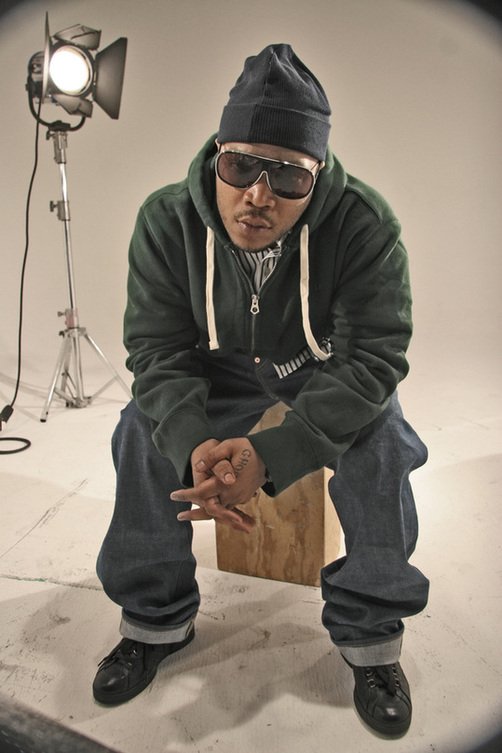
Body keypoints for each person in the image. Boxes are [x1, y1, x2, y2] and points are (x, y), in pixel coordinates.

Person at [93, 43, 429, 737]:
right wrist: (194, 443)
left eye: (289, 176)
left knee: (384, 440)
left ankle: (370, 638)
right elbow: (157, 351)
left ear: (318, 177)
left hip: (317, 365)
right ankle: (155, 621)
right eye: (241, 165)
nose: (258, 194)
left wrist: (274, 455)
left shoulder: (364, 224)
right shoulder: (165, 220)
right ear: (218, 153)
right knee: (140, 429)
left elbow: (374, 357)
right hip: (215, 367)